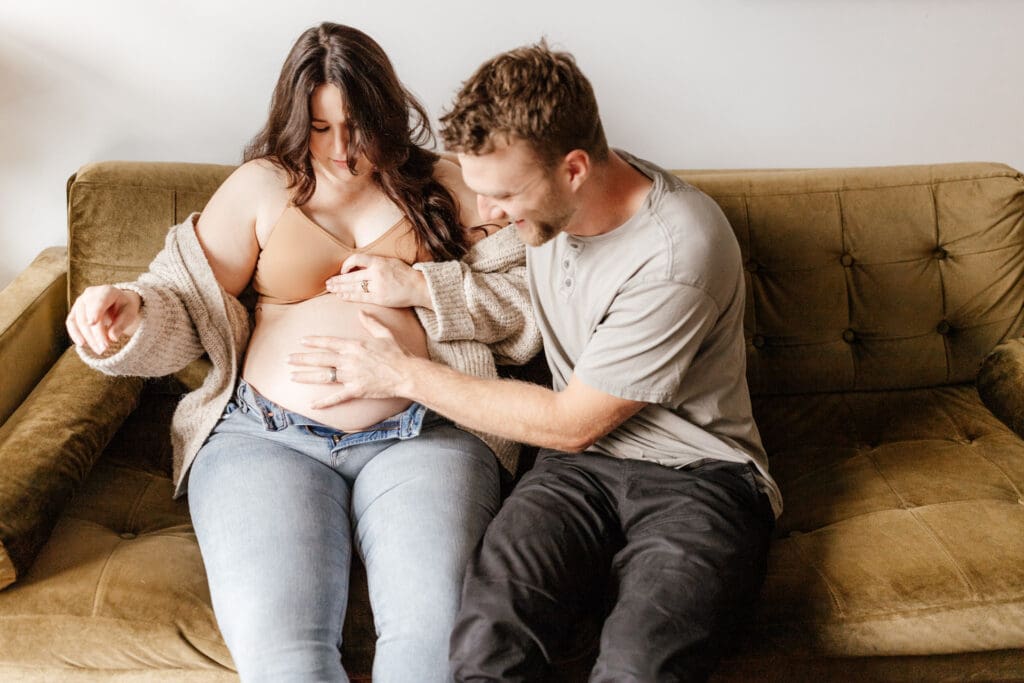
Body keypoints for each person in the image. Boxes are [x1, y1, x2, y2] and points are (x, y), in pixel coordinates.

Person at [289, 41, 784, 682]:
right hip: (578, 471)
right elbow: (507, 305)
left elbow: (572, 421)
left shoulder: (674, 253)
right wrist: (415, 284)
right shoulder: (549, 208)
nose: (486, 216)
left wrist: (400, 374)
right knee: (486, 639)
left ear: (574, 169)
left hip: (697, 478)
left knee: (638, 666)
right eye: (479, 191)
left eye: (502, 198)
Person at [65, 23, 539, 683]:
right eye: (321, 128)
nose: (341, 151)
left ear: (388, 112)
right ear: (296, 121)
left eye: (359, 125)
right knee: (284, 658)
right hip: (266, 439)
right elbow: (182, 301)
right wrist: (129, 313)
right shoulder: (261, 188)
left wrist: (421, 286)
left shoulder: (451, 184)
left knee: (434, 647)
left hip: (426, 434)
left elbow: (525, 310)